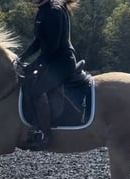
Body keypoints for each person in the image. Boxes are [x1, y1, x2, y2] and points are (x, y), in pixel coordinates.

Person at [19, 0, 80, 151]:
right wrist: (21, 58)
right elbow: (38, 42)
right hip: (52, 62)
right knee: (28, 84)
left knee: (36, 91)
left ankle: (45, 135)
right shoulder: (43, 10)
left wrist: (32, 66)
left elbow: (52, 48)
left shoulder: (54, 11)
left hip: (62, 63)